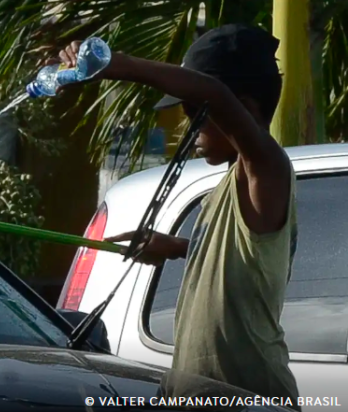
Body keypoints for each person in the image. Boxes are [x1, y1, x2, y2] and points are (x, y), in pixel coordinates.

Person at [53, 24, 301, 408]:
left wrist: (118, 65)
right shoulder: (228, 189)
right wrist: (178, 247)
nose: (190, 127)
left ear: (245, 110)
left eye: (194, 112)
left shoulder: (266, 169)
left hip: (248, 397)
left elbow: (214, 93)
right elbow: (245, 260)